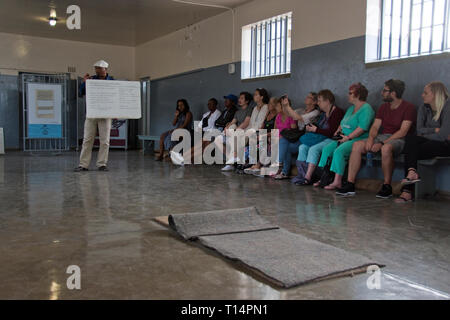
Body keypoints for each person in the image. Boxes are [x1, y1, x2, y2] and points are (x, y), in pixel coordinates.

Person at [336, 79, 417, 198]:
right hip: (381, 137)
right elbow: (375, 126)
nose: (381, 93)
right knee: (357, 145)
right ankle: (350, 184)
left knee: (386, 149)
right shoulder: (383, 107)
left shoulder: (408, 107)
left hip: (399, 139)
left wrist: (382, 143)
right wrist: (370, 139)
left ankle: (387, 186)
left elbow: (403, 131)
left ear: (393, 93)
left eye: (385, 91)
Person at [397, 82, 450, 202]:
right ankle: (412, 172)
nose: (422, 95)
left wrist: (428, 133)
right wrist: (435, 130)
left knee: (411, 149)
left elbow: (443, 136)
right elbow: (419, 130)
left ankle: (407, 191)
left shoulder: (448, 106)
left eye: (425, 93)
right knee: (410, 139)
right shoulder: (423, 107)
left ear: (436, 94)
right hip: (430, 142)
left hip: (446, 145)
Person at [316, 83, 375, 190]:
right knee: (327, 149)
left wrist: (348, 138)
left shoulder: (367, 109)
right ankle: (324, 177)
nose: (348, 95)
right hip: (343, 137)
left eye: (350, 93)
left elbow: (362, 128)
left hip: (358, 138)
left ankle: (337, 181)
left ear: (358, 95)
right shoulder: (351, 108)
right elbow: (342, 123)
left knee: (339, 151)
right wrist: (338, 131)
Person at [291, 89, 344, 184]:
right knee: (302, 147)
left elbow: (331, 132)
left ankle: (308, 177)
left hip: (330, 139)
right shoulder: (323, 114)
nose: (318, 103)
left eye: (320, 101)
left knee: (313, 149)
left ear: (327, 101)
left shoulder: (337, 112)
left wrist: (315, 130)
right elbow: (320, 127)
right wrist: (312, 128)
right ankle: (301, 174)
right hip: (320, 137)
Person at [74, 60, 114, 172]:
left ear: (105, 69)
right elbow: (80, 92)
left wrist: (116, 112)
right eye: (96, 68)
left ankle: (102, 164)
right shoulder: (91, 79)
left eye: (99, 68)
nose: (97, 70)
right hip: (92, 114)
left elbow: (115, 97)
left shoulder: (112, 81)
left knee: (105, 141)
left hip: (106, 114)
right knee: (87, 139)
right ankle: (83, 165)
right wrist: (84, 82)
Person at [276, 92, 321, 178]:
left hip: (307, 138)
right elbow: (289, 114)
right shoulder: (301, 110)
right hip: (297, 136)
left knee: (285, 146)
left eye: (309, 97)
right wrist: (284, 105)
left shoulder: (315, 112)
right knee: (283, 141)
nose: (306, 98)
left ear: (314, 102)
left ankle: (281, 168)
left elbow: (298, 118)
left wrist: (287, 106)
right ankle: (282, 168)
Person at [170, 98, 221, 165]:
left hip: (211, 133)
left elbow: (214, 126)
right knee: (197, 145)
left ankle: (183, 158)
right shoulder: (206, 114)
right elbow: (200, 125)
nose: (209, 105)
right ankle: (183, 158)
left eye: (211, 104)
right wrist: (199, 131)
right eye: (208, 104)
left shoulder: (218, 113)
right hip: (203, 133)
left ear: (215, 105)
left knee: (201, 146)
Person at [215, 92, 254, 171]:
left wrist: (235, 130)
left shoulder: (250, 109)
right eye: (239, 98)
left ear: (247, 101)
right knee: (218, 140)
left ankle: (231, 163)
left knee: (234, 132)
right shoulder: (238, 112)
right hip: (236, 133)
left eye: (242, 98)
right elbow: (233, 122)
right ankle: (232, 159)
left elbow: (246, 123)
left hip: (245, 133)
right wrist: (226, 128)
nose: (239, 100)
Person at [244, 97, 278, 174]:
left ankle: (259, 164)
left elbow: (275, 131)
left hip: (271, 135)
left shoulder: (277, 115)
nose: (269, 105)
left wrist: (264, 135)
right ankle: (252, 162)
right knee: (253, 138)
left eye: (271, 103)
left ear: (275, 105)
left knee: (264, 141)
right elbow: (262, 126)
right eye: (269, 103)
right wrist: (258, 134)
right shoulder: (268, 113)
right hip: (264, 134)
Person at [272, 98, 298, 179]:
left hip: (291, 141)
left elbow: (293, 132)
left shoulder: (291, 116)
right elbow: (275, 130)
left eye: (277, 105)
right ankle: (284, 172)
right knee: (284, 146)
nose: (275, 107)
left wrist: (282, 137)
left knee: (284, 142)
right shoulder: (278, 116)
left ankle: (279, 165)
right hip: (281, 142)